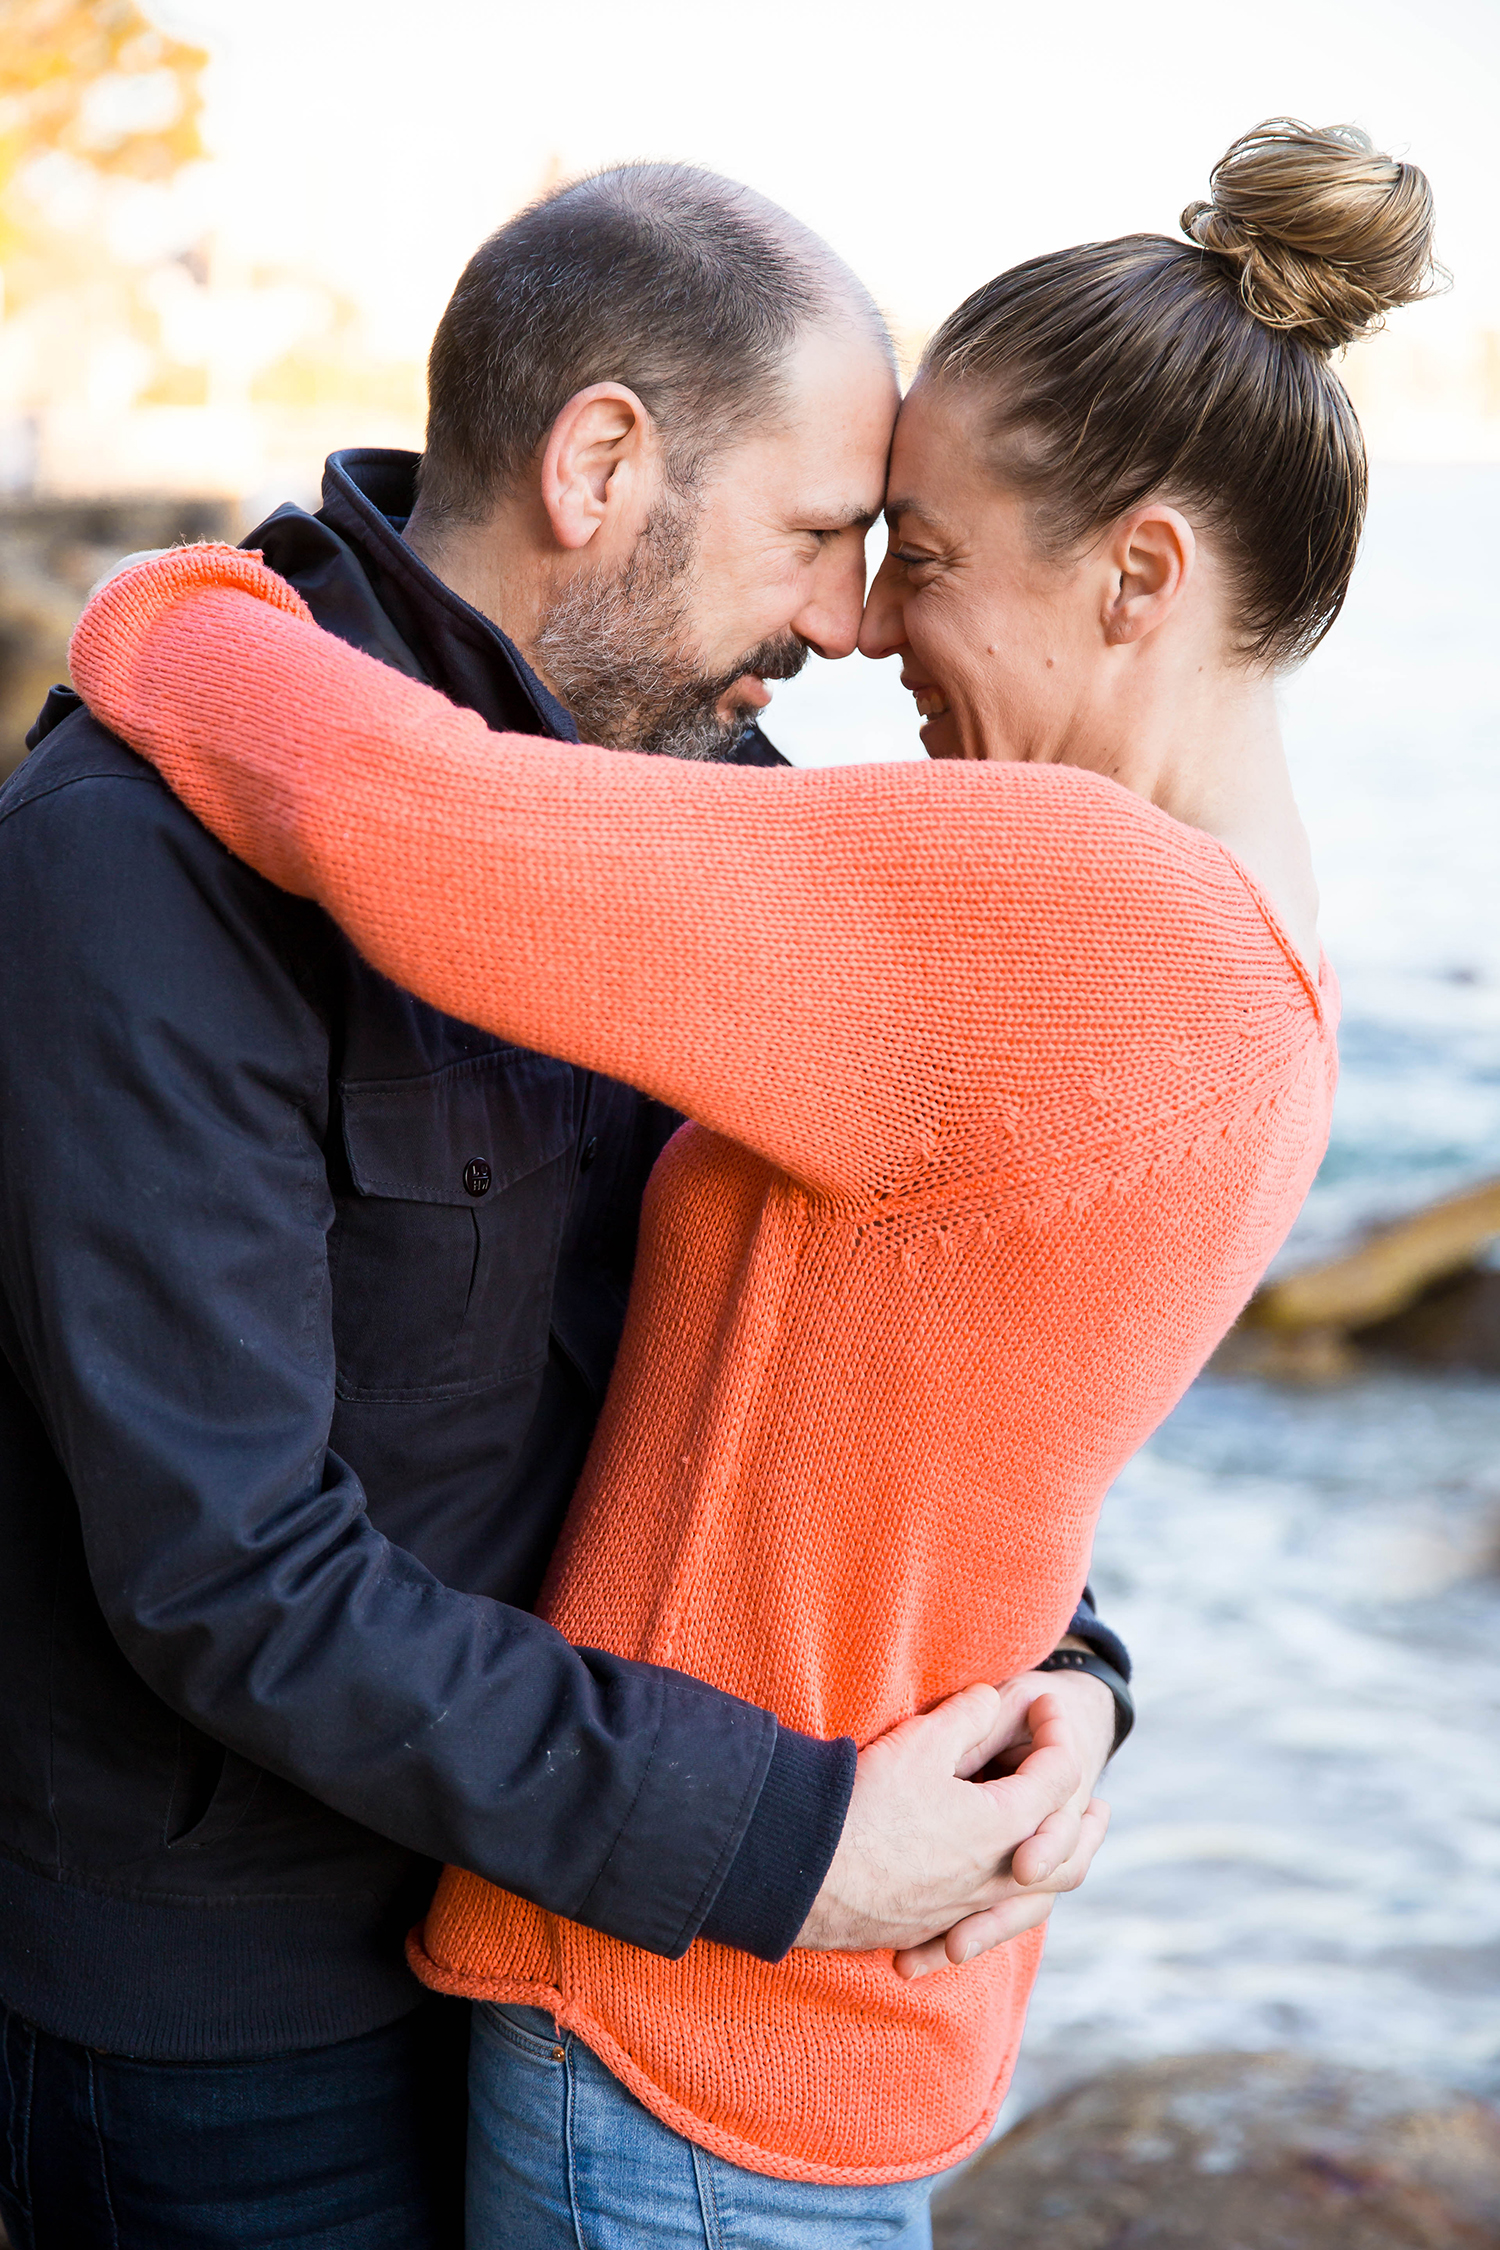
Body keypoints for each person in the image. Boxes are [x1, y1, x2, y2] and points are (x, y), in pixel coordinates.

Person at [66, 117, 1438, 2250]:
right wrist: (1052, 1704)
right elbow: (929, 1419)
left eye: (916, 550)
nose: (863, 627)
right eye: (840, 536)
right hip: (569, 1993)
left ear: (1140, 575)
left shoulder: (1039, 898)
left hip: (680, 1997)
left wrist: (151, 610)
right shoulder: (1254, 967)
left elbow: (409, 815)